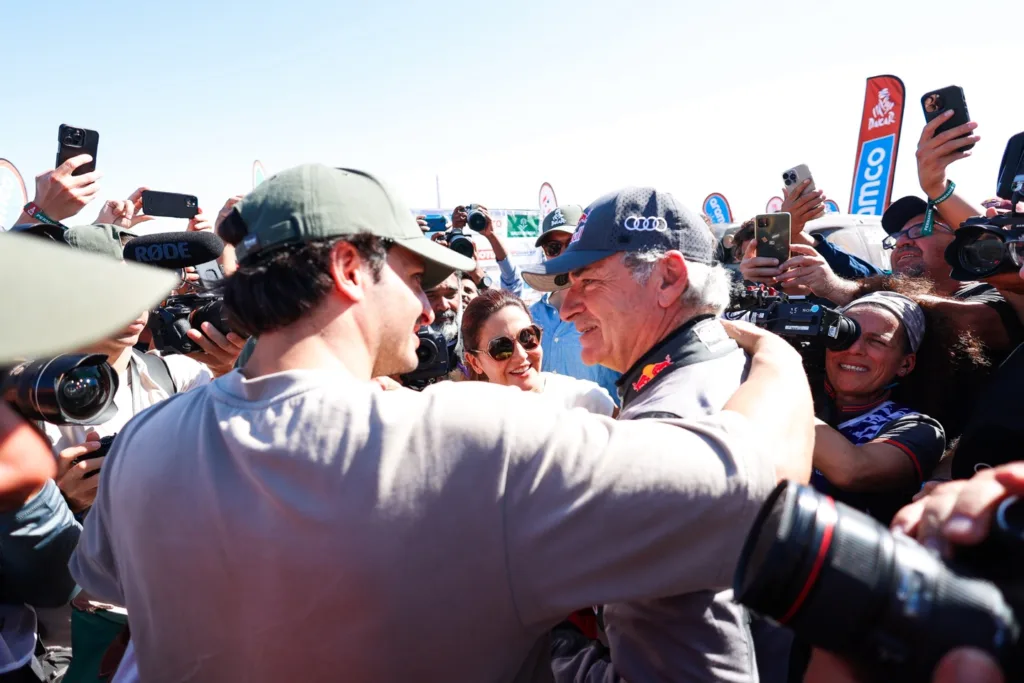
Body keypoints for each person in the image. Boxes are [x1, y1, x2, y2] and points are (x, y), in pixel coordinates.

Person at [69, 164, 814, 682]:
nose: (429, 308)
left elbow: (100, 579)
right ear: (350, 269)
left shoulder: (143, 442)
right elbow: (748, 488)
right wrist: (777, 357)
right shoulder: (465, 441)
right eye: (417, 278)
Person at [522, 187, 804, 682]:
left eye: (587, 281)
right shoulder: (732, 362)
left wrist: (545, 647)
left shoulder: (665, 426)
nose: (565, 308)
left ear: (669, 278)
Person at [0, 232, 177, 681]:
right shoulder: (20, 393)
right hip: (53, 645)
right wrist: (53, 501)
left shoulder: (179, 376)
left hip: (159, 630)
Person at [812, 292, 945, 525]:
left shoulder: (919, 428)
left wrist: (775, 379)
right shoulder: (797, 387)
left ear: (905, 364)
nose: (854, 349)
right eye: (844, 334)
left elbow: (851, 470)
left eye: (877, 341)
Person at [491, 204, 622, 401]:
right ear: (546, 254)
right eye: (553, 248)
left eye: (571, 243)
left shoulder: (613, 315)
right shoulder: (529, 317)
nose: (563, 254)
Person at [461, 289, 616, 416]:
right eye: (501, 347)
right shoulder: (469, 419)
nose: (521, 355)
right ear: (475, 362)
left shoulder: (586, 401)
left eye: (527, 337)